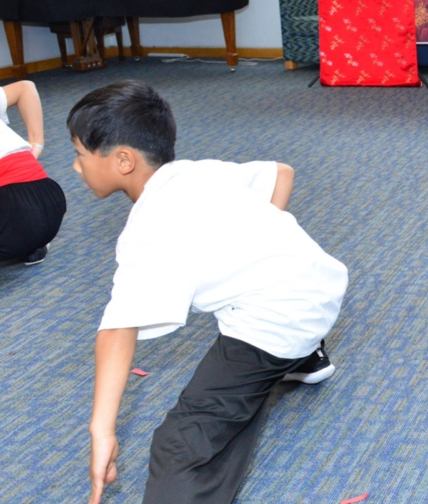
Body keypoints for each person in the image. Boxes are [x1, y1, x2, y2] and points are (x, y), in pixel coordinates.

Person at [69, 80, 348, 504]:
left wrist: (101, 431)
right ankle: (306, 352)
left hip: (276, 322)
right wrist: (252, 250)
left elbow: (117, 332)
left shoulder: (145, 231)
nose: (75, 167)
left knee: (178, 447)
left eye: (79, 155)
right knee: (267, 311)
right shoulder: (197, 170)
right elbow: (281, 173)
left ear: (123, 160)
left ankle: (290, 350)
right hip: (321, 286)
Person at [0, 79, 66, 266]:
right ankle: (33, 246)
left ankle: (21, 242)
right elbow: (25, 87)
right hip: (49, 201)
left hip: (13, 211)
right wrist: (36, 145)